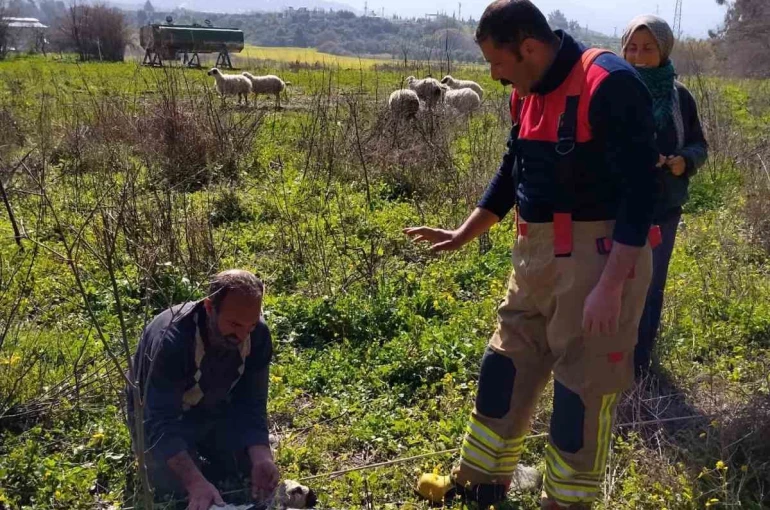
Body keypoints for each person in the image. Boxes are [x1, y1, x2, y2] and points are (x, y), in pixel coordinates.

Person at [405, 1, 660, 508]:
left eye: (498, 63)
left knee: (579, 392)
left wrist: (611, 287)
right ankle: (481, 481)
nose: (495, 76)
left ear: (529, 47)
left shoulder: (609, 83)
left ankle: (565, 501)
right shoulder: (526, 93)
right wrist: (464, 231)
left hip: (600, 259)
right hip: (535, 254)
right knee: (505, 365)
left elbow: (641, 194)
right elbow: (512, 168)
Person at [127, 270, 279, 510]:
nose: (241, 335)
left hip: (211, 407)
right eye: (234, 324)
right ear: (210, 308)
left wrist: (261, 454)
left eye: (249, 326)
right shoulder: (172, 341)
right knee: (173, 484)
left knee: (249, 465)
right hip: (160, 416)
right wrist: (194, 481)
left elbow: (252, 403)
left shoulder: (257, 335)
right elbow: (157, 420)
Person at [621, 15, 708, 378]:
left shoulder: (680, 96)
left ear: (664, 50)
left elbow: (699, 145)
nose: (638, 57)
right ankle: (607, 358)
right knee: (612, 283)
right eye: (631, 48)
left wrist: (682, 162)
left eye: (648, 48)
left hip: (663, 209)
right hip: (615, 208)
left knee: (650, 286)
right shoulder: (612, 90)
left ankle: (639, 363)